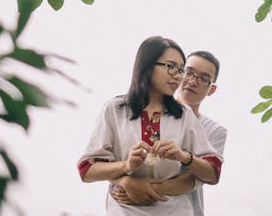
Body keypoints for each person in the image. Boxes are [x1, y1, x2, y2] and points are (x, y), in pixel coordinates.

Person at [77, 37, 223, 215]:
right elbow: (86, 169)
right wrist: (127, 167)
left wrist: (183, 156)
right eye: (170, 66)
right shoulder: (115, 109)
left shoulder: (184, 114)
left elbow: (213, 171)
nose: (178, 76)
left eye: (180, 70)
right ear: (147, 65)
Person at [111, 51, 227, 215]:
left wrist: (142, 189)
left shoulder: (215, 131)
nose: (193, 81)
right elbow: (111, 162)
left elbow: (198, 178)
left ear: (211, 89)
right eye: (188, 72)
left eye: (203, 78)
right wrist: (125, 181)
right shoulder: (137, 113)